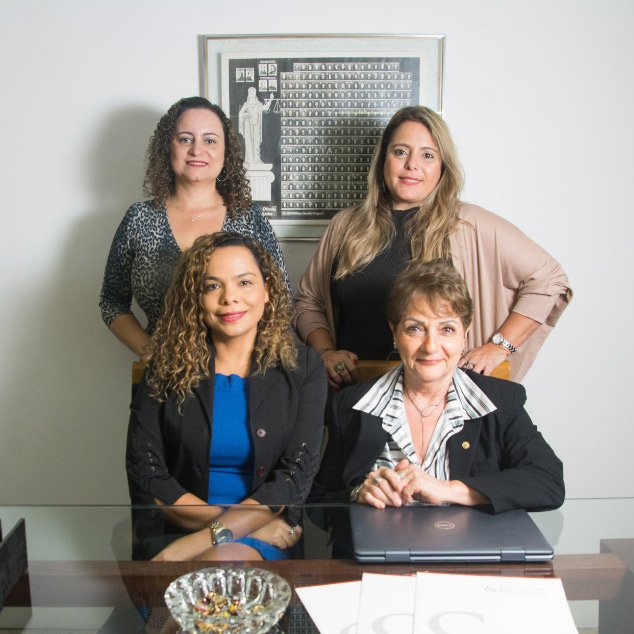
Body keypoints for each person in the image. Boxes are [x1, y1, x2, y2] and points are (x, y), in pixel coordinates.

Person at [293, 106, 572, 386]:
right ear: (383, 159)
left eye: (427, 155)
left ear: (443, 167)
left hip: (446, 398)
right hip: (357, 395)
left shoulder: (469, 224)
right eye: (400, 152)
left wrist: (500, 346)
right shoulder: (346, 225)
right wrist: (326, 352)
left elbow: (549, 279)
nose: (412, 165)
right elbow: (308, 301)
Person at [309, 260, 564, 553]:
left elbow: (548, 482)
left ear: (465, 333)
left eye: (447, 329)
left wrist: (447, 490)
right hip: (381, 565)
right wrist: (357, 493)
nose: (431, 346)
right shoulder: (351, 406)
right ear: (394, 332)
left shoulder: (500, 402)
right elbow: (317, 503)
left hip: (472, 561)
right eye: (415, 328)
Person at [126, 232, 327, 561]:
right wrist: (233, 529)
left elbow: (294, 476)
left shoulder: (304, 367)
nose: (230, 298)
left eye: (244, 282)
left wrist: (210, 541)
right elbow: (147, 475)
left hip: (263, 539)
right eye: (212, 286)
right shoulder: (164, 366)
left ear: (267, 290)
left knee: (226, 563)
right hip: (180, 530)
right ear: (195, 297)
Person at [100, 96, 287, 361]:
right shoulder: (139, 219)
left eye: (210, 140)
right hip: (165, 376)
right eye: (185, 139)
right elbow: (112, 301)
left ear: (226, 151)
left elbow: (281, 298)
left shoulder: (249, 218)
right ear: (168, 147)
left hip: (241, 374)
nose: (197, 150)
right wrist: (151, 352)